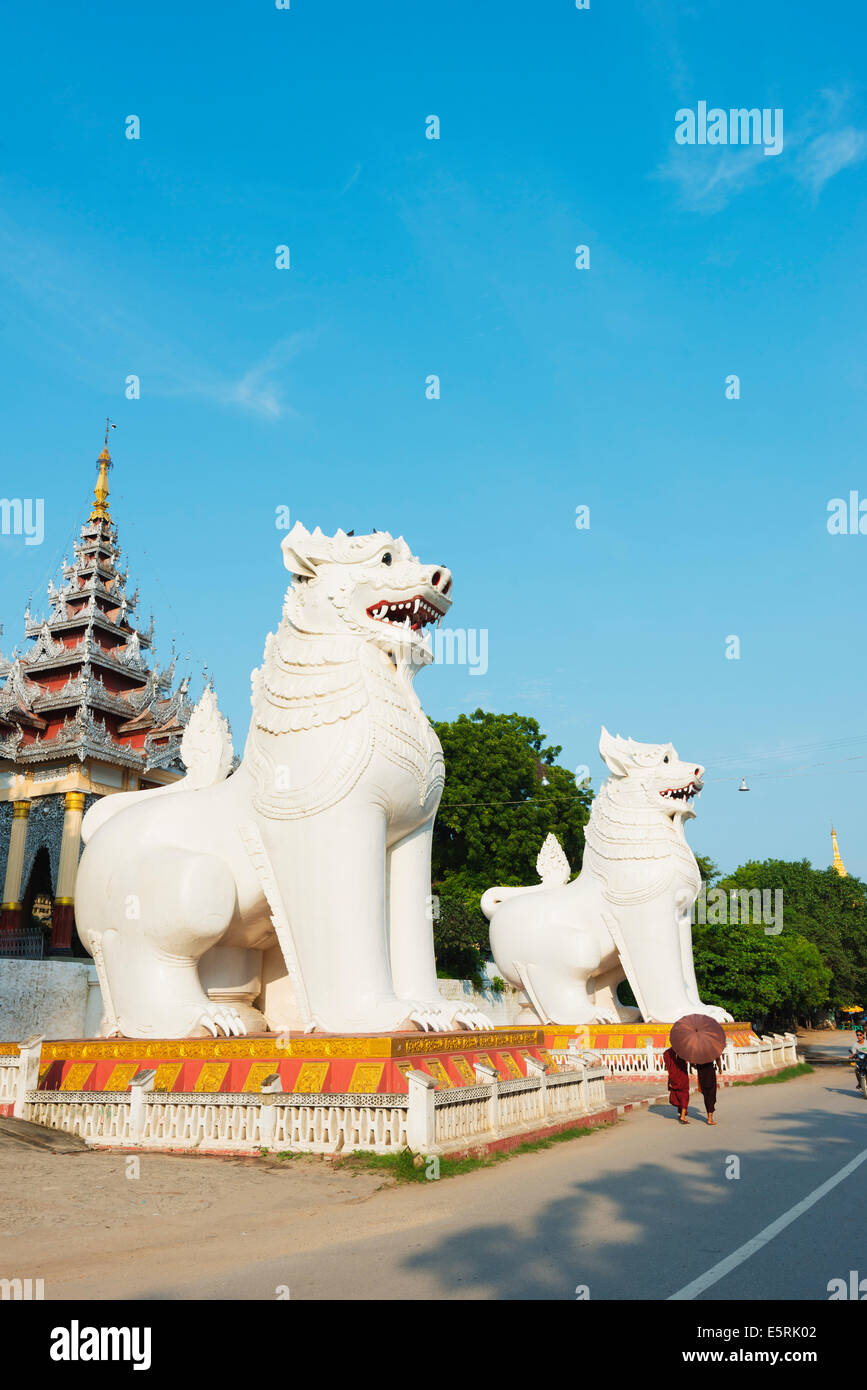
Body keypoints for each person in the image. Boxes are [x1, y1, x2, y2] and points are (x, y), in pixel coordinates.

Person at [663, 1045, 691, 1123]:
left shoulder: (667, 1053)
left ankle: (680, 1113)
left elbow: (667, 1065)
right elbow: (686, 1061)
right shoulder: (683, 1052)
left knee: (677, 1093)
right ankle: (682, 1116)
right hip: (682, 1076)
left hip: (673, 1076)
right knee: (684, 1094)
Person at [694, 1056, 722, 1124]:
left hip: (701, 1073)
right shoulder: (711, 1049)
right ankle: (710, 1118)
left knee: (706, 1095)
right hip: (710, 1073)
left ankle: (709, 1117)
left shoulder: (696, 1051)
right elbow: (718, 1058)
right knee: (711, 1094)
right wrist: (720, 1068)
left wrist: (695, 1065)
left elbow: (692, 1063)